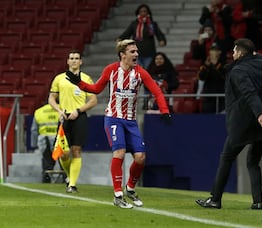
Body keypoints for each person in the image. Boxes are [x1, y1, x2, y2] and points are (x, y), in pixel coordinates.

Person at [65, 39, 171, 209]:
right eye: (132, 52)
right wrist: (78, 82)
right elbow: (96, 89)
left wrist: (164, 110)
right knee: (119, 152)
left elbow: (156, 90)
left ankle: (129, 188)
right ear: (123, 55)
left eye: (136, 51)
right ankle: (118, 195)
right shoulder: (111, 70)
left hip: (130, 121)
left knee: (141, 157)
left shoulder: (140, 73)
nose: (136, 54)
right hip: (113, 118)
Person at [195, 38, 262, 210]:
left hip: (246, 121)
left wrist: (259, 113)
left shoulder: (238, 70)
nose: (233, 53)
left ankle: (215, 199)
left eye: (235, 51)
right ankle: (257, 202)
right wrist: (258, 57)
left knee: (227, 157)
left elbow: (249, 93)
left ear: (241, 53)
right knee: (253, 161)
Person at [48, 49, 98, 193]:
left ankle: (72, 185)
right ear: (68, 61)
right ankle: (70, 177)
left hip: (79, 117)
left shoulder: (86, 79)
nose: (74, 60)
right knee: (63, 153)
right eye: (72, 58)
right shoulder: (59, 78)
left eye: (77, 58)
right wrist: (58, 110)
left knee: (76, 150)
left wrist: (79, 110)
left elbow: (93, 100)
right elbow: (51, 98)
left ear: (81, 61)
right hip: (64, 117)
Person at [117, 4, 166, 69]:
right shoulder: (134, 24)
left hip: (149, 52)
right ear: (138, 12)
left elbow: (159, 34)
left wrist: (161, 40)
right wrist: (120, 39)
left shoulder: (152, 24)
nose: (143, 13)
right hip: (136, 51)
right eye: (141, 11)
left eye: (145, 11)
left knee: (147, 70)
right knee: (137, 70)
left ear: (148, 12)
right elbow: (127, 33)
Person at [30, 103, 60, 183]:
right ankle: (65, 179)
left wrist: (34, 145)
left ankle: (46, 179)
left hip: (44, 140)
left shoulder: (39, 112)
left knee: (47, 162)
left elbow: (34, 130)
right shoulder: (62, 109)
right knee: (63, 161)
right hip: (60, 140)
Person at [196, 44, 226, 113]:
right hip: (208, 98)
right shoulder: (205, 65)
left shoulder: (224, 64)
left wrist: (215, 65)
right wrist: (207, 66)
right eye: (211, 50)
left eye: (215, 50)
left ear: (219, 52)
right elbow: (201, 77)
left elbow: (224, 76)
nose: (213, 52)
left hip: (221, 98)